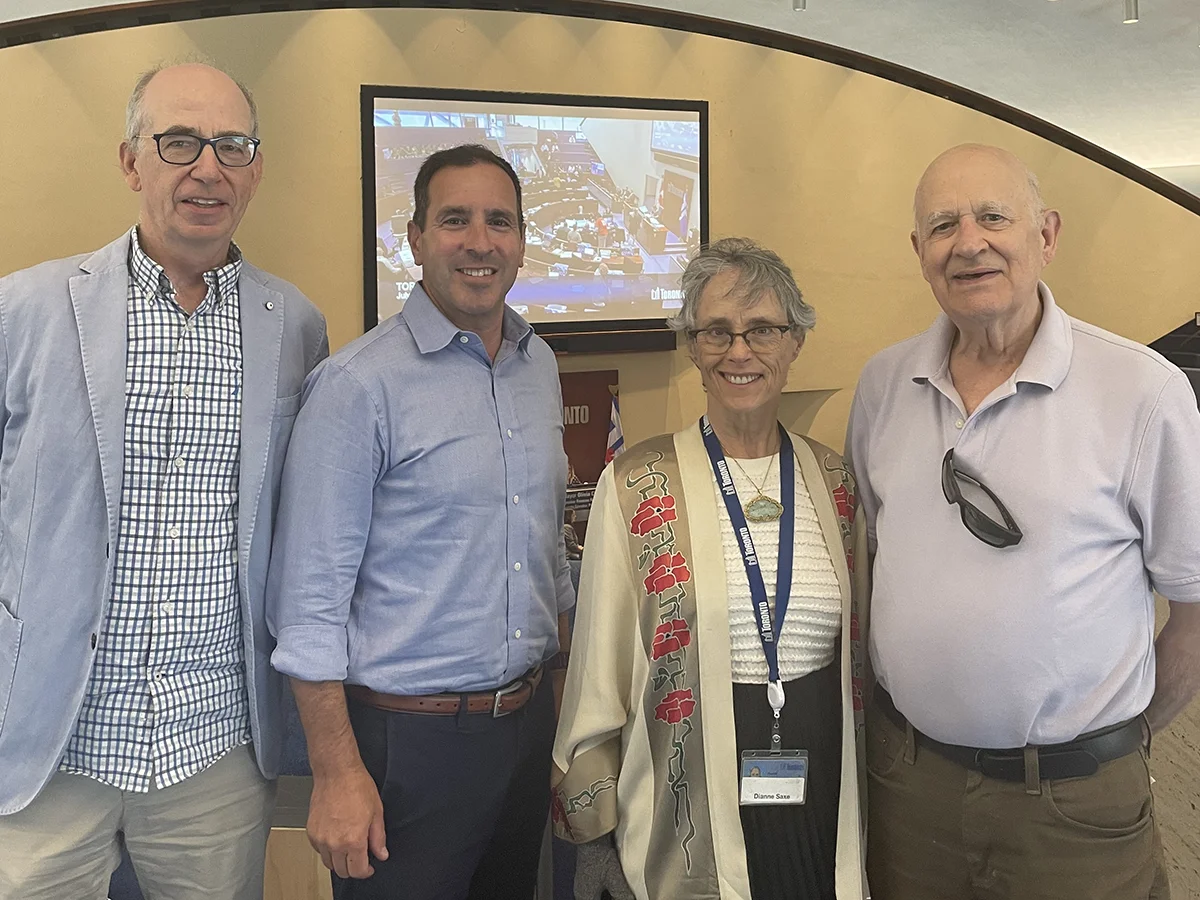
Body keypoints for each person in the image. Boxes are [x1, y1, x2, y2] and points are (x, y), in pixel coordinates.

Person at [0, 62, 328, 898]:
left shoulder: (294, 325)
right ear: (130, 161)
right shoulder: (25, 310)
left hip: (213, 751)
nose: (207, 167)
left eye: (231, 145)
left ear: (255, 169)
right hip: (46, 743)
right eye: (179, 142)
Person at [846, 143, 1200, 900]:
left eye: (993, 217)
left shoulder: (1143, 392)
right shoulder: (882, 387)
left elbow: (1194, 611)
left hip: (1074, 810)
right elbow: (876, 553)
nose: (968, 242)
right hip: (910, 788)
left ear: (1046, 235)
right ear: (919, 252)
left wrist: (1123, 744)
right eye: (942, 226)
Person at [267, 143, 574, 900]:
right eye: (455, 220)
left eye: (499, 221)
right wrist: (338, 773)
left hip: (527, 729)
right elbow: (307, 605)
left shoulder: (541, 367)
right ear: (414, 239)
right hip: (406, 748)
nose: (480, 241)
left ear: (523, 241)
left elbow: (545, 557)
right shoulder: (356, 387)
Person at [553, 237, 869, 900]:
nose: (740, 351)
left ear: (795, 341)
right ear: (692, 347)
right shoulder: (638, 482)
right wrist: (593, 828)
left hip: (823, 775)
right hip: (685, 793)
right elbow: (597, 667)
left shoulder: (834, 479)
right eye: (716, 333)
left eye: (762, 330)